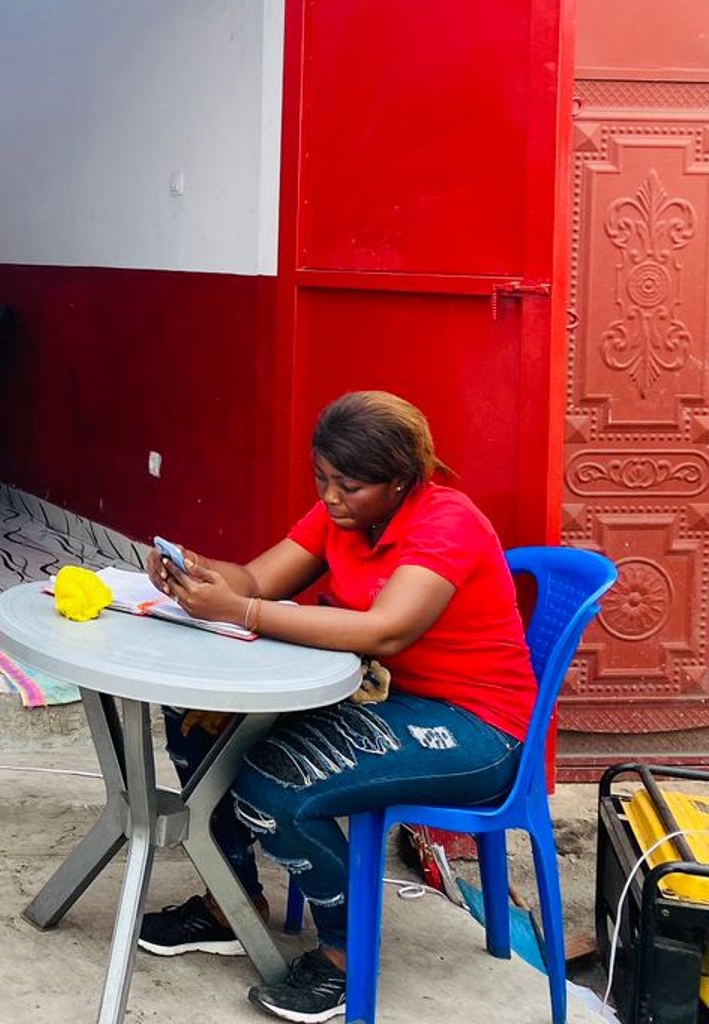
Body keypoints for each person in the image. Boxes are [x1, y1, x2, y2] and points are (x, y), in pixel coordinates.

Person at [136, 391, 536, 1024]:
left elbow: (386, 632)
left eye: (347, 485)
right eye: (321, 479)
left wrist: (239, 612)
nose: (329, 497)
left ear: (401, 481)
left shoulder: (446, 523)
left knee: (274, 784)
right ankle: (229, 901)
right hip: (387, 701)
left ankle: (347, 956)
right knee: (198, 725)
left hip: (474, 727)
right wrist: (199, 575)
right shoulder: (345, 517)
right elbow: (258, 581)